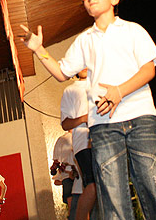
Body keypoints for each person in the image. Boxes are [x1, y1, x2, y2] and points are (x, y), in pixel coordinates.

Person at [20, 0, 156, 220]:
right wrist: (39, 49)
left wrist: (119, 91)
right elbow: (61, 73)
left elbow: (148, 70)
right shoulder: (84, 40)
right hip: (103, 126)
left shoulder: (133, 30)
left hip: (140, 117)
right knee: (112, 196)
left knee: (153, 186)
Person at [61, 69, 97, 220]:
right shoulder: (70, 90)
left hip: (105, 139)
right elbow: (65, 124)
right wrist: (84, 118)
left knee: (109, 186)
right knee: (92, 186)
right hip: (83, 144)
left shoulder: (101, 82)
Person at [50, 131, 76, 211]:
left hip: (70, 177)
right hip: (71, 176)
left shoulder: (61, 139)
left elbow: (56, 162)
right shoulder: (68, 138)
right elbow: (56, 163)